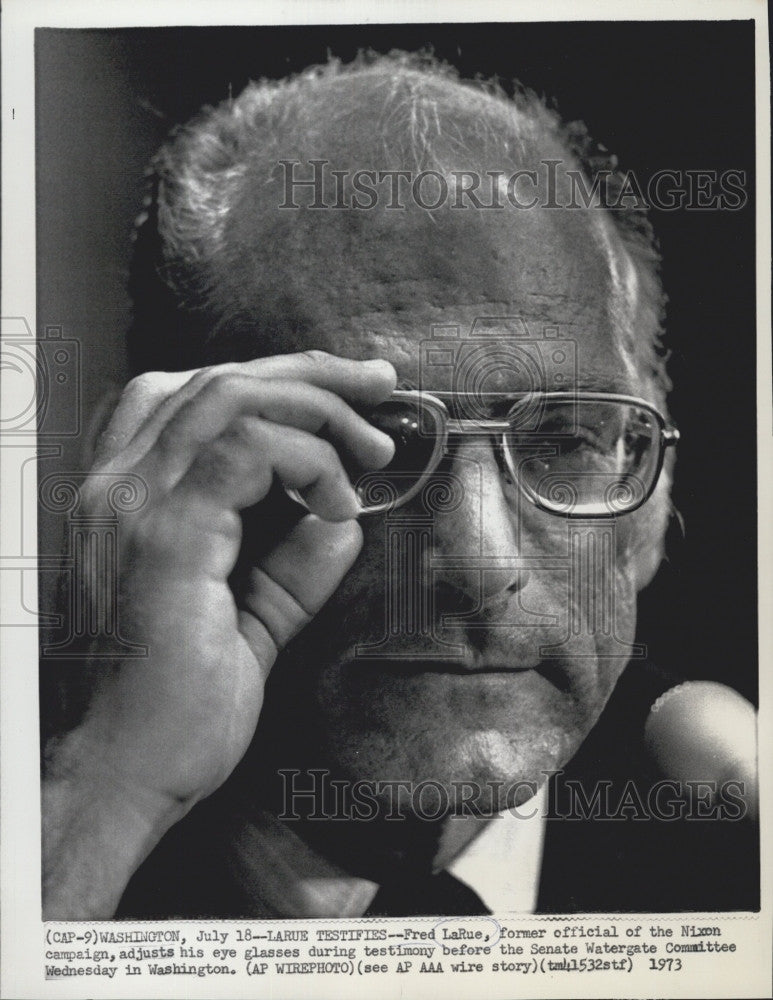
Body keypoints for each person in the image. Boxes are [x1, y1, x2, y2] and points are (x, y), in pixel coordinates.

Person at [41, 54, 757, 920]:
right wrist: (103, 794)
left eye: (563, 439)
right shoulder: (58, 829)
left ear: (647, 506)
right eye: (371, 444)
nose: (478, 565)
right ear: (154, 469)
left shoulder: (726, 833)